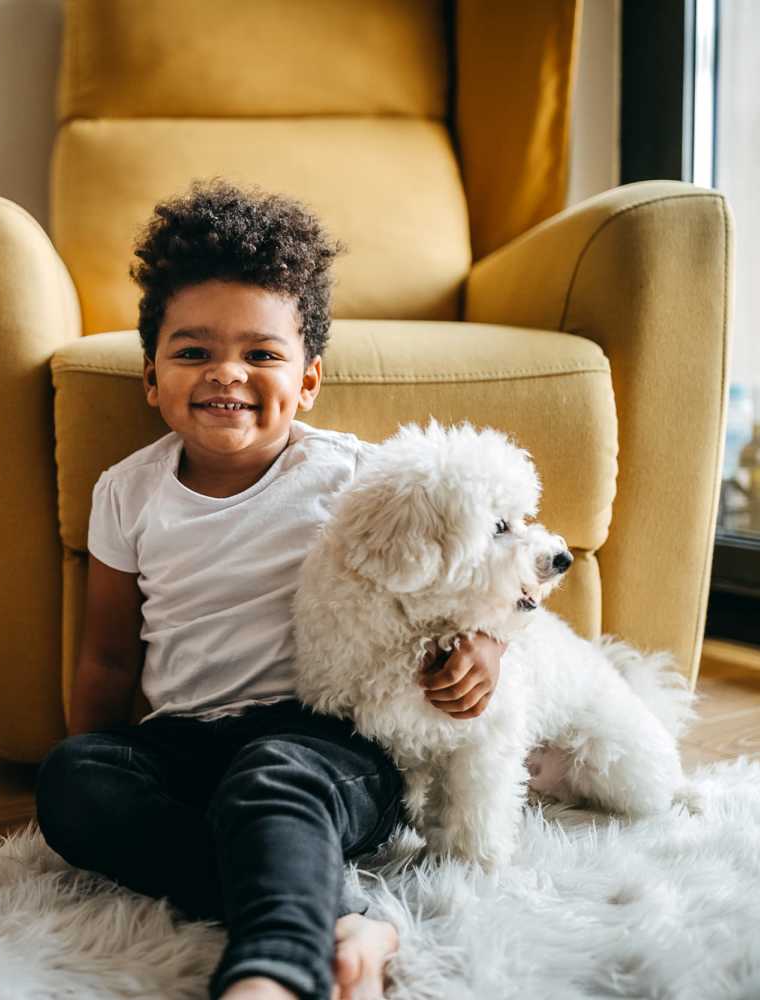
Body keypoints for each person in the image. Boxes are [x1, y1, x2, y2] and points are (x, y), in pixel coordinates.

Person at [35, 178, 506, 1000]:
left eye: (261, 353)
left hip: (326, 746)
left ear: (309, 380)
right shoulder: (127, 492)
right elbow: (109, 657)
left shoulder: (357, 478)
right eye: (193, 352)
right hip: (185, 742)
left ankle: (275, 971)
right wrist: (104, 761)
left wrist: (486, 648)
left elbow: (488, 577)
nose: (227, 374)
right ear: (151, 377)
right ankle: (344, 915)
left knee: (272, 778)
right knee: (73, 782)